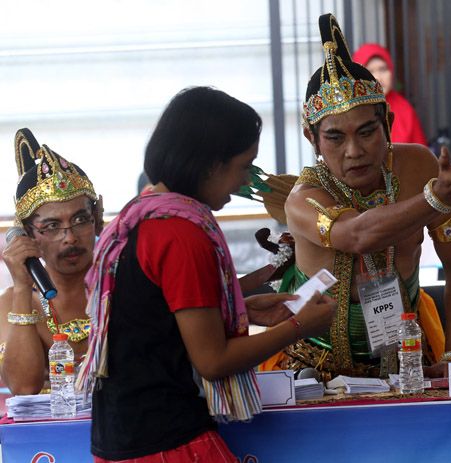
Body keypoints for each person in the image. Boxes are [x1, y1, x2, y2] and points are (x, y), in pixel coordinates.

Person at [77, 86, 337, 462]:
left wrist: (242, 308)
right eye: (244, 166)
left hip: (122, 436)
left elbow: (154, 321)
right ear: (210, 164)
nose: (246, 181)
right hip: (166, 442)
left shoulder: (143, 215)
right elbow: (213, 361)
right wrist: (298, 328)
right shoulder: (182, 233)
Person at [257, 14, 451, 380]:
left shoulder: (419, 166)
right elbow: (356, 236)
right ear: (313, 140)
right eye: (335, 138)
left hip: (407, 360)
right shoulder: (304, 197)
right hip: (312, 370)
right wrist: (436, 199)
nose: (354, 150)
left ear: (387, 122)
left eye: (367, 131)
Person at [0, 128, 101, 395]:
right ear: (27, 234)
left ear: (97, 218)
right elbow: (23, 387)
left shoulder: (123, 285)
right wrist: (22, 288)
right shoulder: (13, 302)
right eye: (52, 226)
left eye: (80, 220)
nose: (70, 238)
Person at [352, 42, 427, 146]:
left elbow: (420, 155)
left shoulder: (404, 109)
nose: (377, 77)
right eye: (369, 71)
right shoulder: (349, 109)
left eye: (383, 69)